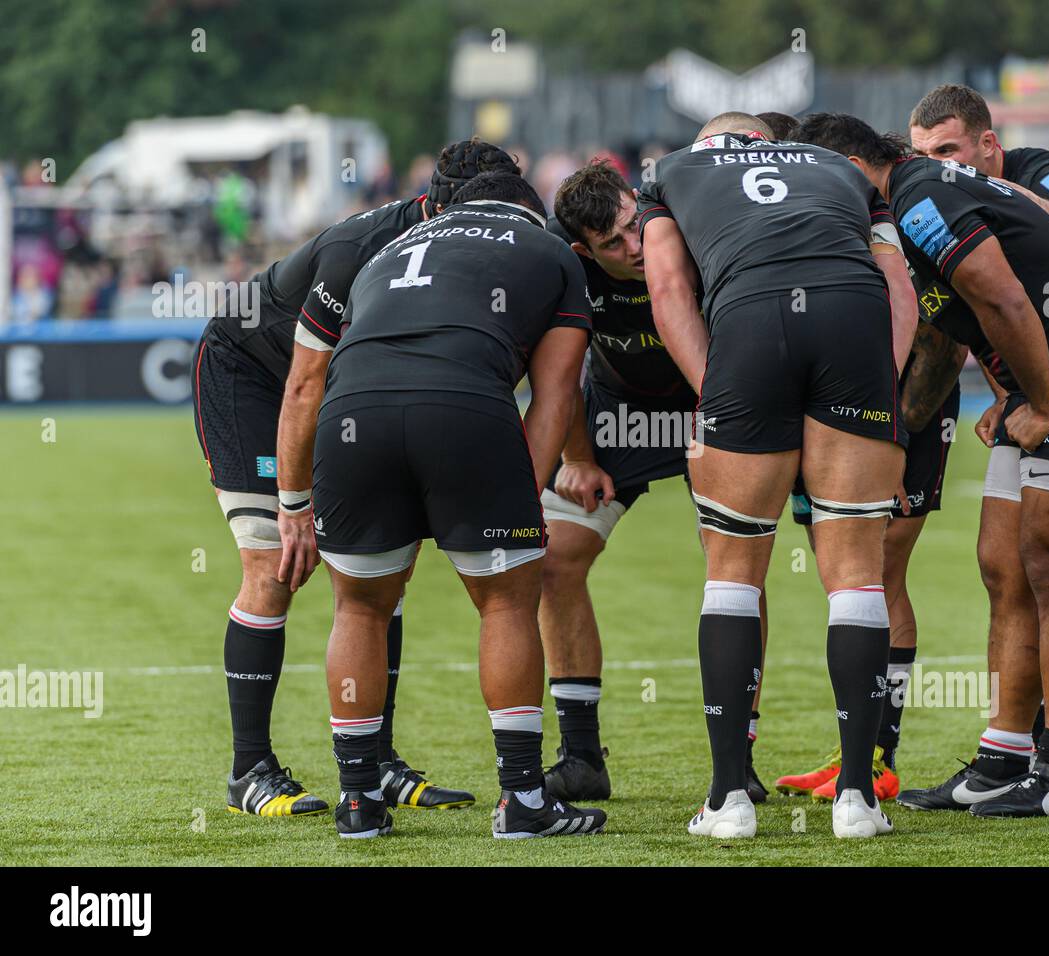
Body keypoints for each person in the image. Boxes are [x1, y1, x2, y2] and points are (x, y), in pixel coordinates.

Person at [847, 116, 1049, 818]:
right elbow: (941, 339)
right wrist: (900, 442)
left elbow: (1011, 296)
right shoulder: (907, 209)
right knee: (1002, 565)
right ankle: (1003, 755)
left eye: (948, 147)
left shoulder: (932, 192)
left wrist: (1042, 402)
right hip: (1041, 383)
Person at [190, 139, 513, 817]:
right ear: (437, 205)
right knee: (274, 562)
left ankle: (378, 764)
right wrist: (293, 503)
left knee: (381, 567)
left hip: (338, 391)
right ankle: (249, 771)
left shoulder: (469, 243)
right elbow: (302, 385)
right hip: (254, 377)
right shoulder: (357, 247)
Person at [639, 112, 915, 839]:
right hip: (852, 318)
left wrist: (720, 393)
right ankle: (858, 798)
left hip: (752, 323)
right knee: (857, 571)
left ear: (709, 145)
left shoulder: (670, 172)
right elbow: (899, 288)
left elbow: (667, 295)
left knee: (733, 573)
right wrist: (873, 388)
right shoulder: (845, 172)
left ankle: (729, 799)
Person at [313, 171, 605, 840]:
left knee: (358, 607)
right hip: (463, 405)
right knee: (506, 600)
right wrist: (517, 498)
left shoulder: (392, 246)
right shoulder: (549, 250)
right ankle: (523, 800)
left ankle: (357, 801)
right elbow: (556, 394)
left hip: (352, 413)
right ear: (531, 213)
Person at [540, 161, 775, 803]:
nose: (634, 247)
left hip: (711, 399)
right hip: (617, 412)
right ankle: (582, 756)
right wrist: (577, 457)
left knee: (736, 573)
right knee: (555, 562)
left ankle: (739, 758)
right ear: (581, 249)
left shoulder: (685, 232)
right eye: (612, 244)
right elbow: (555, 376)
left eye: (631, 228)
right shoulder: (564, 269)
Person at [772, 112, 967, 806]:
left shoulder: (908, 208)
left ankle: (878, 760)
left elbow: (944, 340)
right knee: (853, 578)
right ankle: (861, 748)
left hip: (907, 417)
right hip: (859, 414)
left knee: (880, 571)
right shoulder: (857, 211)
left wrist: (898, 434)